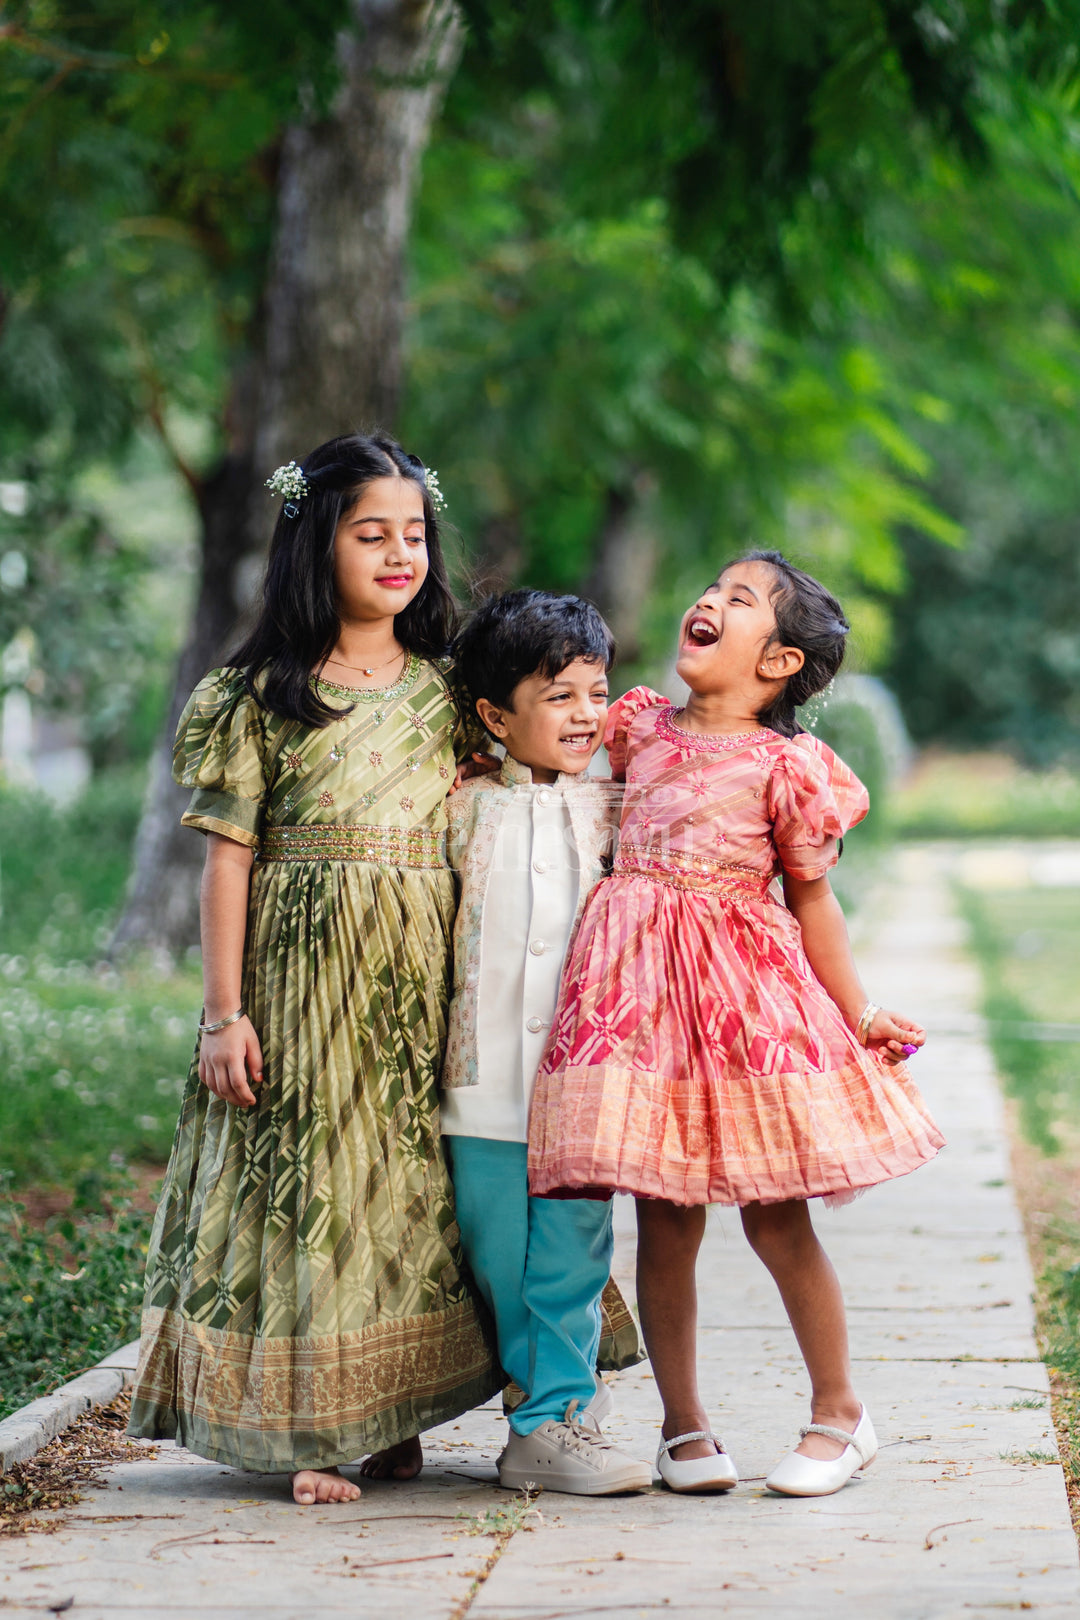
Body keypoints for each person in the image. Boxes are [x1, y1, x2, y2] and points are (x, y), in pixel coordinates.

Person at [128, 433, 501, 1506]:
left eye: (414, 535)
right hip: (299, 985)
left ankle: (394, 1411)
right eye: (370, 533)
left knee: (407, 1190)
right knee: (309, 1192)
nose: (399, 554)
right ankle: (311, 1431)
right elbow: (228, 863)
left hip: (418, 978)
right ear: (313, 544)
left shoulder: (451, 688)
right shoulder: (262, 695)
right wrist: (223, 1014)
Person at [528, 549, 945, 1498]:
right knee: (663, 1223)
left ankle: (841, 1412)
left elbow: (815, 903)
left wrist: (862, 1011)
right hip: (637, 1009)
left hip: (742, 1011)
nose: (710, 600)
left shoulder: (788, 767)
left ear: (780, 663)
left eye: (742, 599)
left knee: (775, 1216)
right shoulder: (638, 729)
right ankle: (684, 1424)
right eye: (711, 587)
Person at [441, 590, 651, 1495]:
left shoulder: (615, 811)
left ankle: (548, 1425)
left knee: (573, 1245)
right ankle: (542, 1402)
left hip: (581, 1082)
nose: (583, 714)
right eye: (557, 696)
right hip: (478, 1080)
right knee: (495, 1255)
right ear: (495, 715)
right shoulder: (454, 809)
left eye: (594, 692)